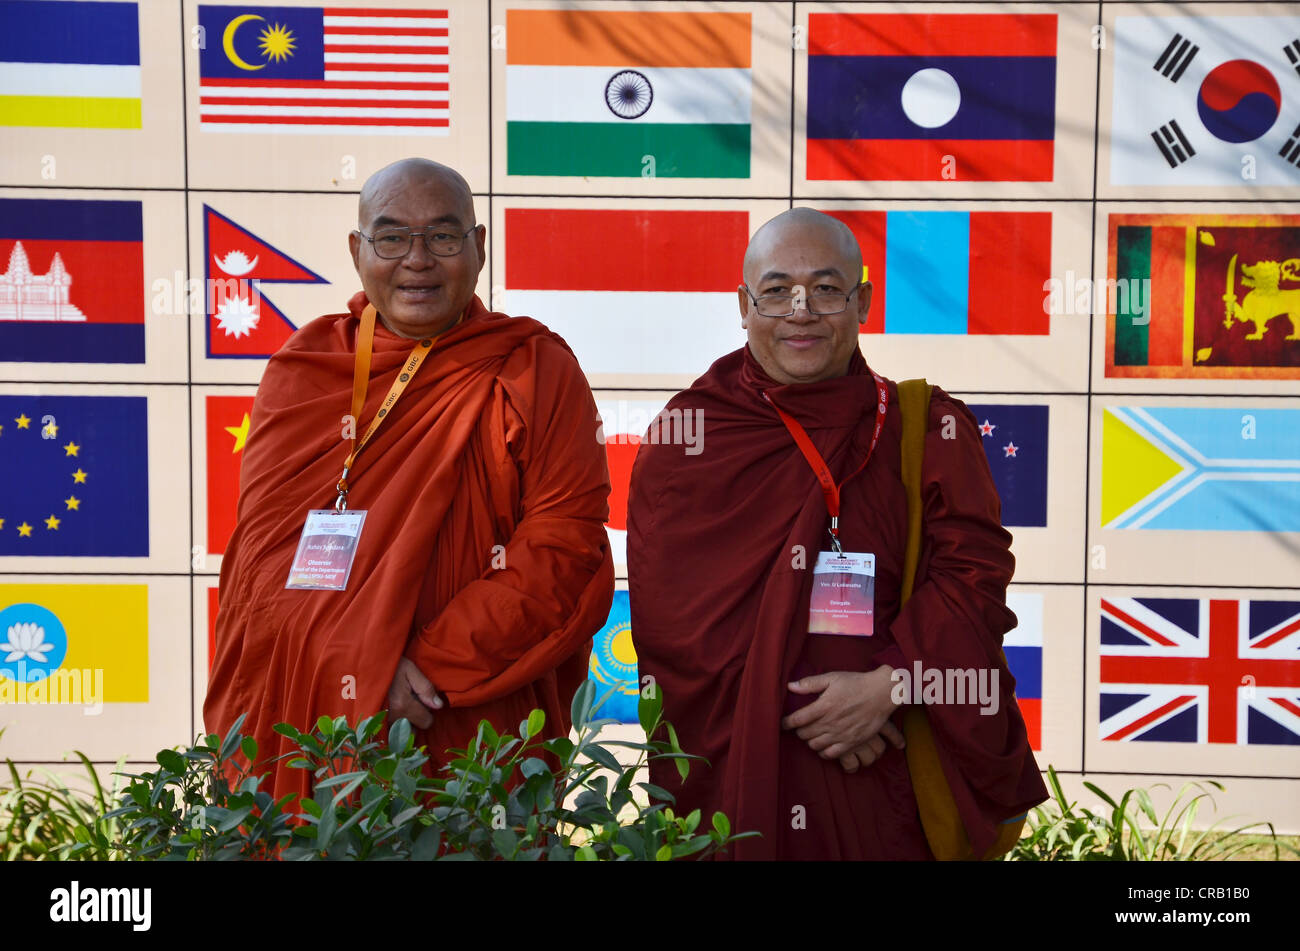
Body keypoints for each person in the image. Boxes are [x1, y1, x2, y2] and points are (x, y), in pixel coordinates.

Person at [626, 208, 1046, 860]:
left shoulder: (925, 430)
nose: (801, 311)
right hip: (743, 768)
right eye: (776, 291)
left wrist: (889, 685)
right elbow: (671, 627)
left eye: (826, 289)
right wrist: (813, 708)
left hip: (886, 774)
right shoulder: (692, 439)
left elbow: (975, 579)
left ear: (864, 301)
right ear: (743, 304)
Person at [205, 158, 614, 802]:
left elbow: (564, 544)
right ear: (356, 250)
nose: (417, 260)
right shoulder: (307, 369)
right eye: (392, 237)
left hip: (463, 708)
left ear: (478, 248)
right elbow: (263, 565)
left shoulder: (534, 368)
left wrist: (425, 666)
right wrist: (357, 666)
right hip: (316, 699)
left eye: (443, 237)